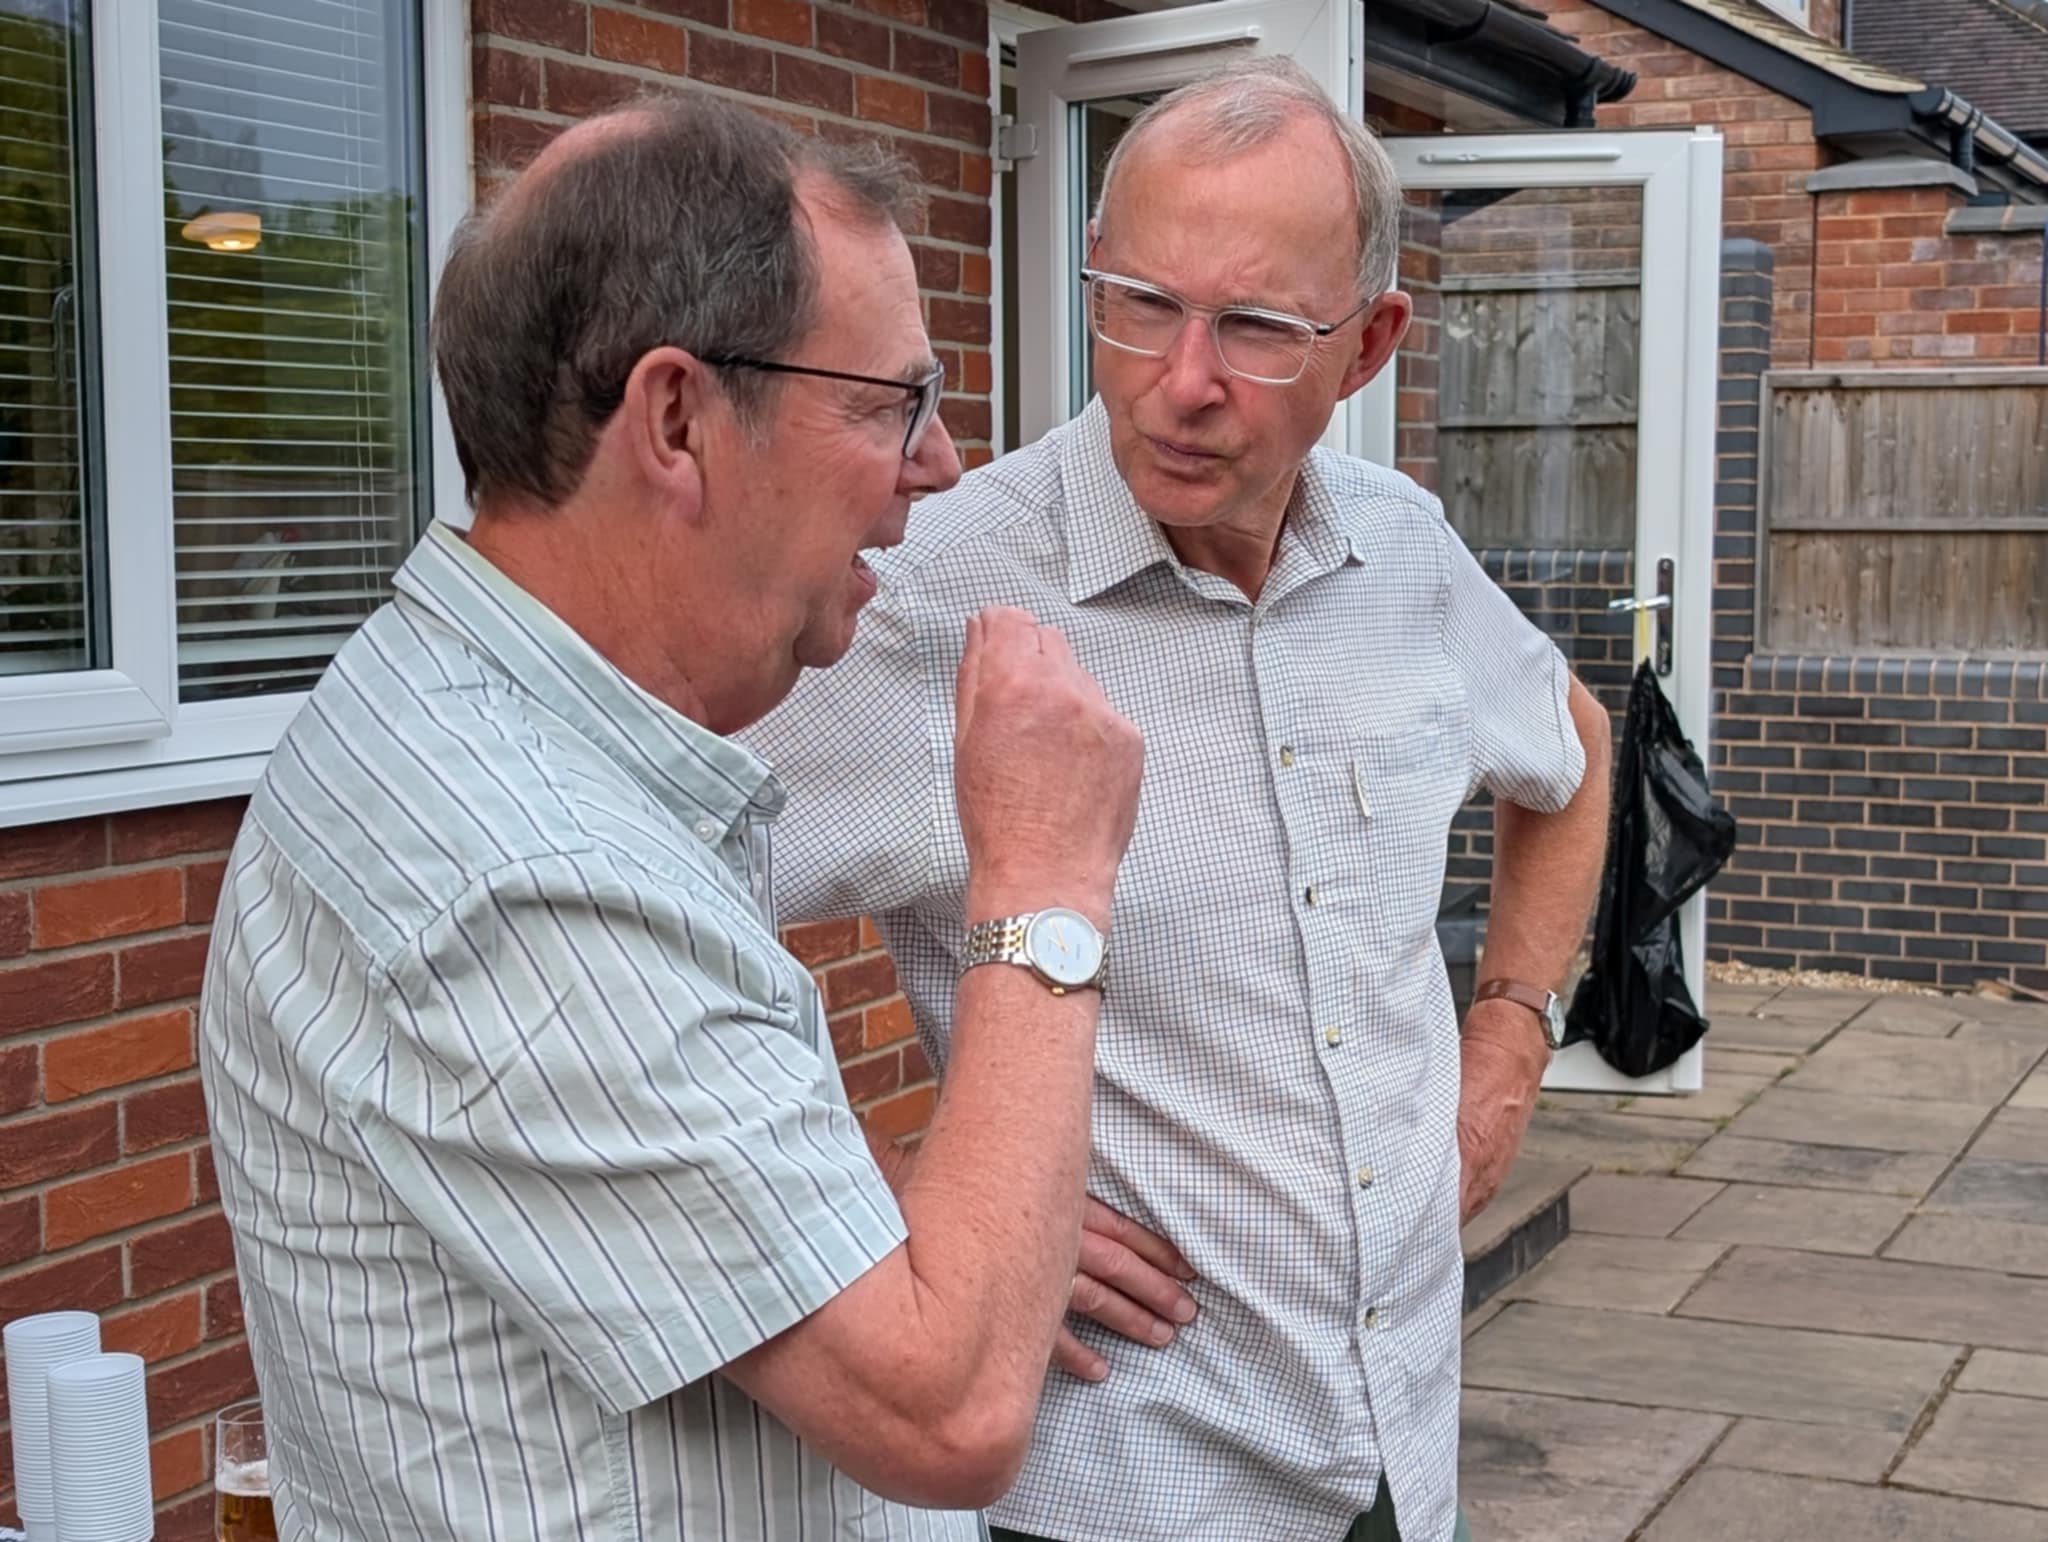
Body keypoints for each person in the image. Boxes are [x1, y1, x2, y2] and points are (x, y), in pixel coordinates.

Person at [197, 93, 1146, 1541]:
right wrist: (1046, 881)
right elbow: (948, 1409)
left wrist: (840, 1205)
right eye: (894, 399)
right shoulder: (523, 868)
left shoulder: (505, 746)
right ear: (679, 417)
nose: (940, 461)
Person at [742, 58, 1613, 1542]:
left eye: (1258, 327)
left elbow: (1573, 750)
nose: (1181, 377)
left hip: (1401, 1443)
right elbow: (618, 908)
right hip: (1120, 1486)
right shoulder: (931, 594)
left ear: (1371, 342)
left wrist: (1508, 1041)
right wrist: (872, 1184)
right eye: (1138, 302)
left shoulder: (1403, 550)